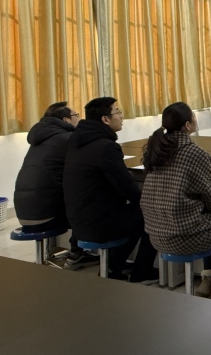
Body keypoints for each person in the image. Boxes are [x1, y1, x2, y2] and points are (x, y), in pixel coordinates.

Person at [140, 102, 211, 304]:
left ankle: (207, 281)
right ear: (188, 125)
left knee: (207, 222)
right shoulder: (195, 153)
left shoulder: (155, 150)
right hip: (182, 237)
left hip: (156, 236)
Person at [63, 97, 158, 283]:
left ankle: (114, 266)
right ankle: (140, 270)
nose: (121, 117)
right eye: (118, 112)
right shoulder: (106, 147)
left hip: (77, 221)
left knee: (134, 212)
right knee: (150, 212)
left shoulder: (76, 142)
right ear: (105, 119)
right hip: (99, 223)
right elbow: (128, 188)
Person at [13, 102, 99, 270]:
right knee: (87, 203)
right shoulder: (66, 139)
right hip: (45, 214)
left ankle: (60, 252)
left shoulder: (39, 139)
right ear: (66, 120)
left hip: (24, 211)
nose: (78, 120)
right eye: (76, 116)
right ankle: (77, 254)